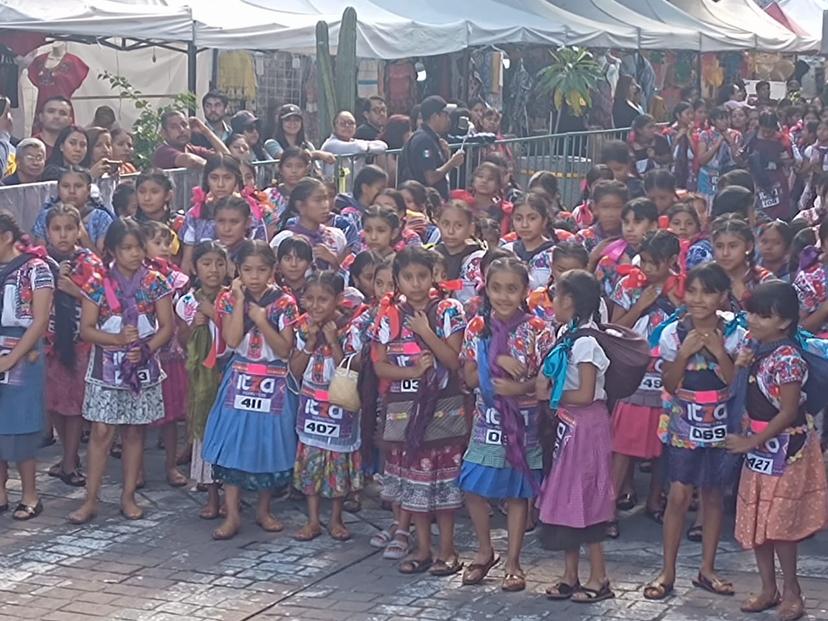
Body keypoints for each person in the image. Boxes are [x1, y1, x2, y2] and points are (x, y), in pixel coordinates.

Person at [642, 263, 745, 601]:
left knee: (713, 494)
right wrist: (684, 355)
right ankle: (667, 570)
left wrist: (718, 352)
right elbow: (669, 383)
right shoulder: (674, 333)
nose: (699, 299)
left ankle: (707, 568)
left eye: (708, 292)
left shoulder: (735, 335)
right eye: (693, 291)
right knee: (678, 495)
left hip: (719, 423)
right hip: (684, 422)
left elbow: (736, 384)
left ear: (723, 297)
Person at [730, 281, 828, 621]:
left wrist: (749, 443)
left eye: (763, 315)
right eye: (752, 312)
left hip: (787, 449)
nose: (753, 320)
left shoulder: (788, 359)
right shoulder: (751, 344)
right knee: (758, 520)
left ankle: (792, 591)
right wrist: (739, 365)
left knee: (781, 527)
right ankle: (767, 587)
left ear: (785, 322)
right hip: (760, 447)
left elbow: (787, 412)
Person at [68, 218, 175, 525]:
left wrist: (146, 349)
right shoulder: (98, 283)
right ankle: (91, 498)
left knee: (134, 430)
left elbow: (166, 327)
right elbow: (87, 330)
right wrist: (115, 340)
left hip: (142, 365)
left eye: (139, 247)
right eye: (126, 248)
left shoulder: (155, 281)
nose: (134, 254)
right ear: (113, 250)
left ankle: (128, 496)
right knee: (102, 431)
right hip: (107, 366)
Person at [459, 257, 552, 591]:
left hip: (524, 423)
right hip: (488, 420)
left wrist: (520, 387)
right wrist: (491, 360)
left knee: (517, 493)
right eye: (496, 288)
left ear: (525, 290)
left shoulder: (539, 329)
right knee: (472, 486)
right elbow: (468, 374)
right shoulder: (477, 328)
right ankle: (485, 551)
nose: (503, 296)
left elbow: (547, 379)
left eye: (512, 289)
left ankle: (514, 562)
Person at [373, 247, 467, 575]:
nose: (415, 284)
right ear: (396, 280)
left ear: (434, 276)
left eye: (422, 276)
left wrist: (427, 332)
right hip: (403, 411)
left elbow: (454, 361)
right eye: (407, 277)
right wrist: (412, 374)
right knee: (414, 485)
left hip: (442, 410)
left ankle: (448, 550)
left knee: (441, 486)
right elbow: (381, 367)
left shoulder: (448, 310)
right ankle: (424, 549)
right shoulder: (389, 314)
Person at [200, 240, 299, 540]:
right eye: (247, 270)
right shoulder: (230, 299)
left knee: (267, 443)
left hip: (273, 379)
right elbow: (231, 341)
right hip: (240, 375)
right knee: (233, 443)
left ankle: (263, 509)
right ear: (238, 270)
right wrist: (241, 302)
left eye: (261, 270)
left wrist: (261, 320)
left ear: (272, 270)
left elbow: (284, 348)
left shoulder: (284, 303)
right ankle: (231, 514)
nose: (254, 276)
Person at [537, 270, 615, 604]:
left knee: (587, 497)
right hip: (568, 426)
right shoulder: (566, 335)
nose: (553, 302)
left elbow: (585, 393)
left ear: (570, 300)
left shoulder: (586, 342)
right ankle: (570, 574)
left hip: (585, 427)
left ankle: (600, 576)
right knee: (567, 498)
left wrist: (550, 395)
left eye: (556, 295)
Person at [608, 231, 682, 536]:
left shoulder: (685, 286)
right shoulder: (628, 284)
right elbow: (613, 328)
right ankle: (607, 508)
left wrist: (673, 297)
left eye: (656, 263)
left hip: (669, 373)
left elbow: (693, 320)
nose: (648, 269)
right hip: (635, 371)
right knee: (623, 441)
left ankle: (655, 500)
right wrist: (642, 304)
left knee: (664, 442)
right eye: (645, 262)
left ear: (673, 261)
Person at [291, 271, 363, 542]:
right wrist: (310, 342)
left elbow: (352, 367)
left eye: (323, 299)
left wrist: (333, 341)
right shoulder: (301, 326)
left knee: (337, 461)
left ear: (338, 299)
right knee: (311, 460)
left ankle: (335, 518)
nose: (315, 305)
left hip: (340, 404)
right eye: (309, 298)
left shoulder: (349, 329)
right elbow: (295, 370)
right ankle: (312, 520)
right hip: (311, 402)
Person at [44, 204, 104, 488]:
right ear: (47, 232)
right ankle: (67, 457)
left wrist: (74, 291)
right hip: (49, 343)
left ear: (79, 230)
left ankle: (69, 461)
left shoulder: (89, 261)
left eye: (69, 228)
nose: (63, 235)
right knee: (53, 403)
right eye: (57, 229)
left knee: (75, 406)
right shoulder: (40, 261)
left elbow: (104, 300)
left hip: (80, 345)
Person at [0, 213, 55, 521]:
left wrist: (11, 357)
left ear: (6, 236)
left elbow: (40, 320)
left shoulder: (37, 269)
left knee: (20, 422)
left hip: (24, 350)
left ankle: (31, 494)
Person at [175, 241, 229, 520]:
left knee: (227, 430)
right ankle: (210, 494)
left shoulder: (232, 299)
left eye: (220, 263)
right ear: (195, 267)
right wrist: (196, 325)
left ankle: (230, 495)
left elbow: (237, 335)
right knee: (205, 428)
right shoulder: (186, 302)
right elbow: (182, 340)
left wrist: (213, 315)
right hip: (201, 378)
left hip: (228, 371)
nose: (214, 270)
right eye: (206, 263)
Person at [32, 166, 114, 254]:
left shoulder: (101, 218)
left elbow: (103, 262)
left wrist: (82, 235)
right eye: (66, 186)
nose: (72, 191)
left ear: (88, 190)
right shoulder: (45, 216)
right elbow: (38, 256)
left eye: (78, 186)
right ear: (58, 189)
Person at [398, 95, 466, 199]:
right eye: (445, 115)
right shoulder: (424, 140)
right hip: (424, 199)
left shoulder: (430, 138)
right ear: (435, 117)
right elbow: (430, 177)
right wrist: (452, 163)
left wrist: (446, 156)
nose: (448, 120)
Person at [272, 177, 347, 271]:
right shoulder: (283, 239)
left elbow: (344, 277)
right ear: (300, 206)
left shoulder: (336, 236)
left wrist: (333, 260)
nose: (325, 205)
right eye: (318, 200)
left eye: (326, 199)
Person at [433, 199, 485, 305]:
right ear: (438, 224)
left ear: (471, 228)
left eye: (458, 226)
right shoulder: (430, 256)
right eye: (445, 224)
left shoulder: (478, 259)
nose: (451, 231)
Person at [151, 110, 230, 170]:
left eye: (184, 125)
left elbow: (227, 157)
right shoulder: (163, 151)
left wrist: (206, 131)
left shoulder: (192, 149)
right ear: (164, 133)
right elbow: (191, 161)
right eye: (174, 127)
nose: (181, 130)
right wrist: (218, 169)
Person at [320, 110, 387, 179]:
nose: (347, 126)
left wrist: (366, 148)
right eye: (342, 123)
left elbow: (383, 145)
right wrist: (368, 147)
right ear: (335, 127)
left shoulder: (356, 142)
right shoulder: (330, 144)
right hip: (336, 186)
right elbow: (358, 148)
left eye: (351, 123)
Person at [265, 103, 335, 167]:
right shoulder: (271, 143)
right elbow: (285, 157)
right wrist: (317, 154)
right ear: (281, 123)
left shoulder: (307, 145)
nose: (292, 123)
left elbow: (317, 167)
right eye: (287, 120)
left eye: (296, 120)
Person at [33, 95, 73, 159]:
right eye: (51, 111)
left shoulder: (75, 147)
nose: (56, 116)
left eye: (62, 113)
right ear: (41, 117)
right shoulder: (31, 145)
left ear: (70, 120)